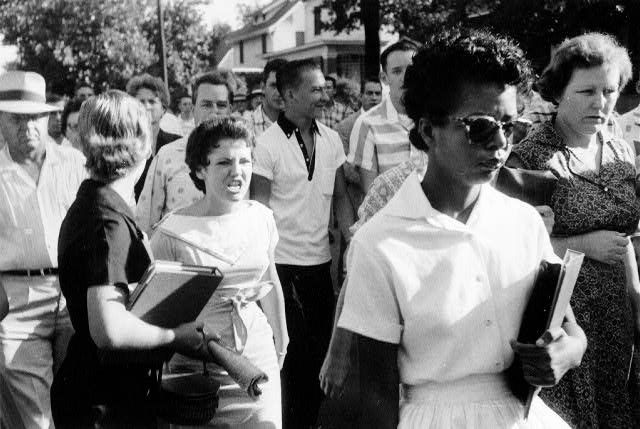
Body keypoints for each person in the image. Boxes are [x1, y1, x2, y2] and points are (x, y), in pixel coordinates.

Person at [337, 29, 588, 428]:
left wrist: (564, 352)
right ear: (427, 132)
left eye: (512, 126)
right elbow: (374, 395)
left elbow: (572, 331)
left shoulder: (523, 222)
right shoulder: (381, 242)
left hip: (520, 416)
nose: (501, 144)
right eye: (481, 127)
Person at [50, 90, 219, 428]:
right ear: (143, 145)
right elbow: (109, 329)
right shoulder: (105, 221)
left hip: (105, 392)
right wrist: (176, 336)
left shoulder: (102, 206)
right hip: (103, 402)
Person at [508, 32, 640, 428]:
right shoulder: (530, 156)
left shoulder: (619, 151)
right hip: (565, 322)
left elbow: (624, 237)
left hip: (617, 320)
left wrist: (636, 301)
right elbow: (512, 246)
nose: (600, 103)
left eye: (609, 91)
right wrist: (581, 244)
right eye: (586, 91)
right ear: (558, 92)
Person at [150, 117, 288, 428]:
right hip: (198, 368)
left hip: (257, 357)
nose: (237, 171)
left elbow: (271, 280)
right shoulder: (172, 232)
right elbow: (156, 311)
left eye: (244, 160)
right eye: (224, 162)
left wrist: (281, 341)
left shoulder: (262, 218)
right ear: (200, 169)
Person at [251, 58, 354, 428]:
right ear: (289, 94)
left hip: (320, 266)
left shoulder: (331, 141)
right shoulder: (266, 145)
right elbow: (258, 211)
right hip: (281, 268)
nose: (323, 95)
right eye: (315, 89)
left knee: (321, 356)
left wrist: (351, 244)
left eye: (324, 88)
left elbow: (341, 197)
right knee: (293, 357)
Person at [0, 71, 86, 429]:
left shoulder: (76, 164)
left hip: (73, 296)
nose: (27, 127)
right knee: (35, 420)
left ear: (49, 116)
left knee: (76, 407)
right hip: (15, 302)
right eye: (16, 118)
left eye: (34, 116)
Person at [136, 71, 233, 234]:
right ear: (194, 109)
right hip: (177, 256)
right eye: (207, 105)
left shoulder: (245, 159)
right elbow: (145, 221)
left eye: (221, 105)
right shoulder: (168, 155)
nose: (214, 111)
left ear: (230, 109)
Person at [348, 40, 418, 193]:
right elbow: (371, 195)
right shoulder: (367, 124)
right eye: (397, 71)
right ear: (384, 78)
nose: (405, 77)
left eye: (411, 69)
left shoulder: (436, 119)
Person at [125, 73, 182, 200]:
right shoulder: (125, 147)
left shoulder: (177, 144)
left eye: (152, 101)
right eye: (141, 102)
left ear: (163, 109)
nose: (146, 107)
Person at [336, 76, 383, 213]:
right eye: (369, 93)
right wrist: (373, 181)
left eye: (377, 93)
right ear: (361, 96)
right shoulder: (345, 126)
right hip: (357, 198)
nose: (374, 98)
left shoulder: (389, 123)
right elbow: (344, 165)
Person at [244, 59, 288, 137]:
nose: (279, 92)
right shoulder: (246, 126)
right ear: (263, 87)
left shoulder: (301, 124)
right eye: (274, 86)